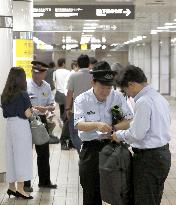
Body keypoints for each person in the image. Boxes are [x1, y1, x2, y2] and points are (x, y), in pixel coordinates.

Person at [74, 61, 133, 205]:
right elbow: (78, 124)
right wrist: (97, 125)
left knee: (118, 190)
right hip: (91, 150)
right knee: (90, 191)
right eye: (102, 87)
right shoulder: (82, 99)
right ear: (93, 82)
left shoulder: (117, 97)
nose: (106, 91)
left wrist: (114, 128)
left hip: (113, 148)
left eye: (109, 87)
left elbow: (128, 120)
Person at [112, 65, 171, 205]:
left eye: (125, 89)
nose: (127, 94)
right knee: (153, 198)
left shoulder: (143, 101)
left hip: (148, 159)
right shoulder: (159, 97)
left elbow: (136, 134)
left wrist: (118, 135)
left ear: (131, 84)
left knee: (144, 200)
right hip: (162, 155)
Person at [24, 61, 57, 191]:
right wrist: (35, 108)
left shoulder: (47, 86)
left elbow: (51, 104)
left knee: (43, 151)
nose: (37, 75)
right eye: (34, 72)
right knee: (26, 152)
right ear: (32, 72)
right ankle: (25, 184)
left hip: (41, 120)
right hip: (27, 120)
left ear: (44, 73)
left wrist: (48, 108)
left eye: (40, 73)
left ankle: (44, 181)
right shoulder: (25, 85)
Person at [1, 67, 33, 199]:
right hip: (21, 126)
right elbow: (27, 114)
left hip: (9, 126)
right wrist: (32, 109)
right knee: (22, 157)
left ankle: (11, 187)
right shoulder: (23, 94)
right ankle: (20, 189)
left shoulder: (5, 94)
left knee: (11, 156)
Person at [65, 54, 92, 153]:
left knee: (74, 133)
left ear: (78, 64)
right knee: (90, 133)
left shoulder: (73, 76)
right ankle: (87, 152)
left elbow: (69, 93)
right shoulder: (93, 76)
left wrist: (67, 108)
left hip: (76, 110)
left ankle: (82, 152)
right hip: (91, 110)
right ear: (89, 64)